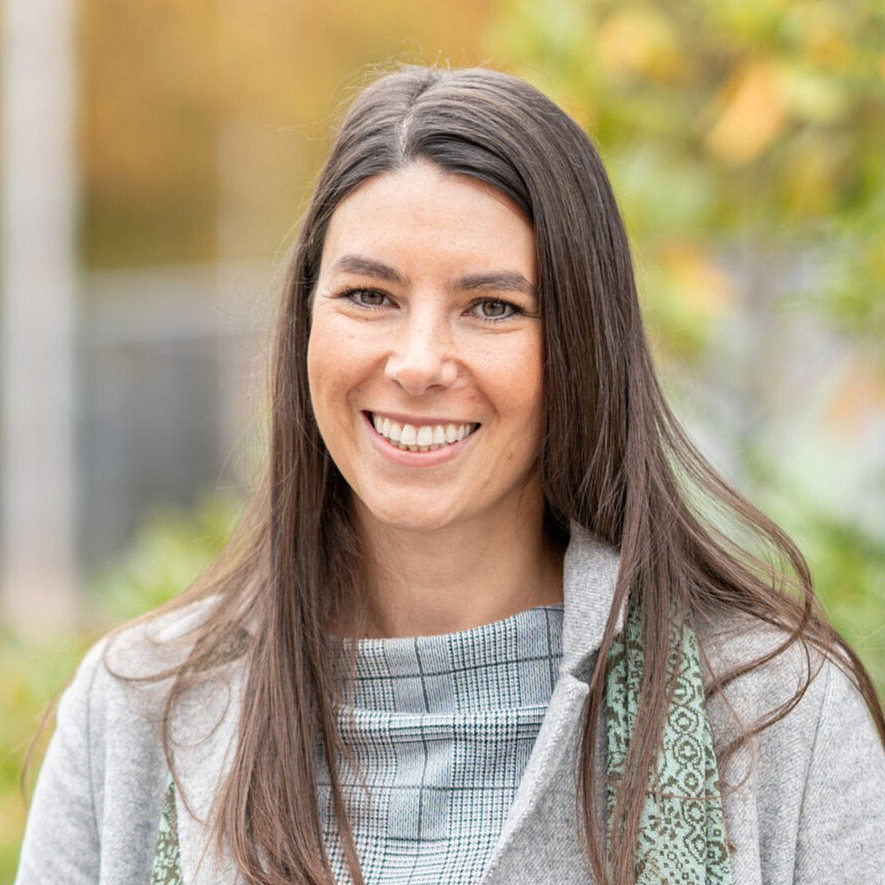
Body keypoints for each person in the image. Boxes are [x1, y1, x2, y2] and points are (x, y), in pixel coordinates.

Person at [15, 65, 885, 885]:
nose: (419, 360)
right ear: (304, 322)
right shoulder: (141, 712)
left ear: (581, 346)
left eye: (492, 307)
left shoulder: (772, 713)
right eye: (368, 295)